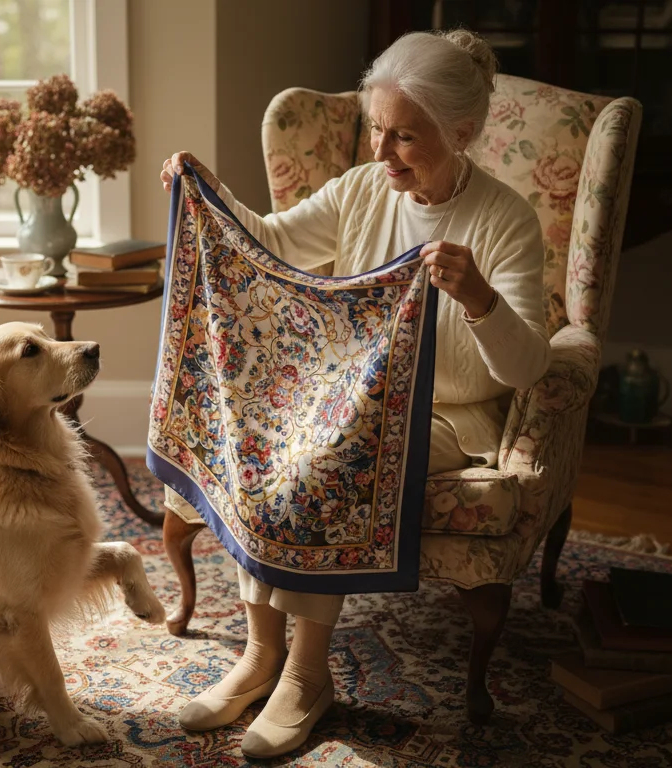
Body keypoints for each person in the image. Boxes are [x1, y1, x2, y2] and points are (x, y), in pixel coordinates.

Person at [158, 28, 551, 758]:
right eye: (376, 129)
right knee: (264, 434)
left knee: (327, 458)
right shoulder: (365, 190)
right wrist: (205, 192)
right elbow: (268, 243)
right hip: (348, 396)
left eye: (404, 136)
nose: (381, 152)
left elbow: (526, 370)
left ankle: (307, 679)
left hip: (446, 414)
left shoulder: (505, 220)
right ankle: (258, 656)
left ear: (461, 132)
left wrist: (481, 300)